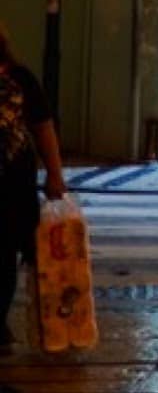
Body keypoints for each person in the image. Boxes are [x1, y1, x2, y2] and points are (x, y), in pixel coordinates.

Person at [1, 23, 67, 356]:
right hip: (14, 182)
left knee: (6, 255)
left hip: (13, 184)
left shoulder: (21, 79)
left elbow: (43, 128)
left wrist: (55, 174)